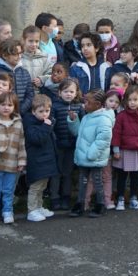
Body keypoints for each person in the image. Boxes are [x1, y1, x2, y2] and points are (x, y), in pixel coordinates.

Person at [69, 89, 114, 218]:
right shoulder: (88, 116)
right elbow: (80, 134)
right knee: (82, 181)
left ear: (98, 105)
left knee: (97, 181)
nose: (84, 104)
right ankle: (81, 204)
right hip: (84, 157)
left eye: (88, 102)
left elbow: (103, 139)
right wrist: (73, 120)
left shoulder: (104, 119)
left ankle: (100, 205)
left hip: (93, 157)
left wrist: (91, 154)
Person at [0, 93, 26, 225]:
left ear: (15, 107)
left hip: (13, 162)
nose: (6, 107)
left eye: (10, 105)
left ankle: (7, 211)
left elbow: (21, 143)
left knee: (9, 189)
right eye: (3, 104)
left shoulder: (18, 123)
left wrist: (21, 161)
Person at [23, 94, 59, 222]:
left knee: (43, 186)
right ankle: (31, 210)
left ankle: (39, 206)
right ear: (33, 111)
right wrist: (46, 126)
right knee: (35, 187)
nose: (44, 114)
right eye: (41, 111)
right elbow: (38, 139)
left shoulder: (46, 122)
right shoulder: (31, 124)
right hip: (36, 161)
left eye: (47, 111)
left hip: (47, 160)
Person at [48, 78, 82, 211]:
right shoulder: (55, 106)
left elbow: (82, 125)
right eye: (65, 91)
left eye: (71, 91)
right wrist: (55, 140)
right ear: (59, 92)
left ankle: (66, 198)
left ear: (76, 93)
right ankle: (54, 198)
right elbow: (51, 125)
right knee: (56, 173)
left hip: (72, 145)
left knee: (67, 172)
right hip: (58, 144)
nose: (68, 94)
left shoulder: (79, 106)